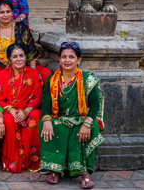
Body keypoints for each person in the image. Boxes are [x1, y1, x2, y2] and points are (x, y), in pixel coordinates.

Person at [40, 42, 105, 189]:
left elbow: (95, 104)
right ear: (59, 59)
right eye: (64, 57)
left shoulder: (88, 78)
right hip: (60, 118)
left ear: (79, 60)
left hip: (81, 118)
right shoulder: (52, 79)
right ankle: (55, 169)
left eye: (71, 57)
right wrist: (47, 120)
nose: (67, 60)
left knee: (92, 126)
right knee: (45, 124)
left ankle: (85, 173)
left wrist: (87, 123)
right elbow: (46, 104)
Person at [0, 43, 43, 173]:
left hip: (29, 109)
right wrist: (11, 110)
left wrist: (27, 110)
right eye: (14, 56)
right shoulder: (2, 75)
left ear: (26, 57)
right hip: (10, 110)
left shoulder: (35, 74)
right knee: (8, 120)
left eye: (21, 55)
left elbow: (38, 96)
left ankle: (30, 160)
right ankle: (13, 161)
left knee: (35, 118)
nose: (19, 59)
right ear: (9, 59)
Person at [0, 0, 51, 90]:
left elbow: (31, 50)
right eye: (2, 12)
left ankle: (42, 101)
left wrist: (32, 69)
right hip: (2, 66)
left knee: (45, 72)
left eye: (8, 12)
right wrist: (7, 66)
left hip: (23, 64)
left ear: (12, 13)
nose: (5, 15)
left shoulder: (21, 27)